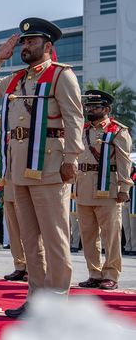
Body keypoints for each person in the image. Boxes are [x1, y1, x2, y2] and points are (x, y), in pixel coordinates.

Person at [0, 17, 84, 318]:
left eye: (31, 41)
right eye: (23, 42)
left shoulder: (62, 76)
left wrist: (70, 158)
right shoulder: (16, 80)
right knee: (29, 239)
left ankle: (57, 302)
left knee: (55, 237)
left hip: (49, 166)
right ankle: (36, 299)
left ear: (48, 46)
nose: (25, 46)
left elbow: (75, 119)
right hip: (19, 168)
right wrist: (0, 56)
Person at [76, 90, 133, 290]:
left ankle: (111, 274)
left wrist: (124, 187)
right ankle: (94, 273)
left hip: (107, 190)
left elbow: (124, 161)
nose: (90, 110)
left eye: (95, 106)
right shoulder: (82, 130)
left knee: (111, 236)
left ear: (106, 109)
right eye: (88, 106)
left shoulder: (118, 131)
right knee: (88, 235)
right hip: (83, 190)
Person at [0, 117, 27, 281]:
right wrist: (1, 118)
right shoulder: (7, 136)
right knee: (14, 231)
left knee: (28, 230)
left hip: (23, 184)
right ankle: (19, 265)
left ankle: (33, 267)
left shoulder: (29, 135)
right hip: (9, 187)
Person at [121, 165, 136, 256]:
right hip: (124, 202)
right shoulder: (125, 175)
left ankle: (134, 247)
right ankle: (128, 245)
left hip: (133, 203)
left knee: (133, 227)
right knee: (126, 227)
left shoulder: (134, 176)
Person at [69, 184, 81, 253]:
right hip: (66, 203)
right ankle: (69, 243)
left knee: (75, 226)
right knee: (67, 226)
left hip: (75, 203)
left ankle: (75, 245)